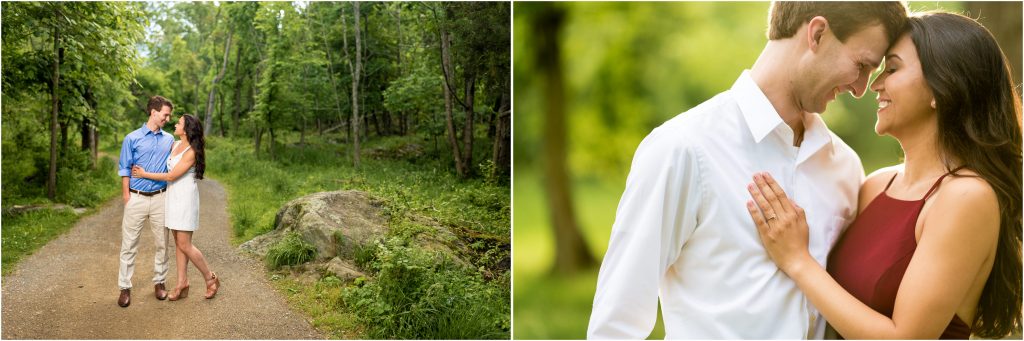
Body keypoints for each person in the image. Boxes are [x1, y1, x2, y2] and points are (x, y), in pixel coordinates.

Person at [587, 2, 908, 338]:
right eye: (861, 65)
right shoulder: (683, 148)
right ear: (817, 34)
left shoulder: (844, 166)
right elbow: (616, 324)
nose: (860, 89)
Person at [746, 12, 1022, 339]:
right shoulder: (875, 185)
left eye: (891, 69)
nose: (874, 85)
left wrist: (797, 262)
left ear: (942, 87)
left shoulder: (966, 197)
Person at [133, 114, 220, 300]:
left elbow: (171, 176)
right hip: (172, 197)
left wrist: (144, 174)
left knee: (184, 244)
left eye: (179, 122)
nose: (175, 124)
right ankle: (182, 283)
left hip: (185, 198)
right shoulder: (174, 144)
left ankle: (210, 278)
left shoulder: (191, 151)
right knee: (178, 243)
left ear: (187, 128)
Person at [117, 96, 175, 307]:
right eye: (165, 114)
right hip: (136, 197)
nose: (167, 118)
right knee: (129, 244)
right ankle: (125, 287)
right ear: (153, 112)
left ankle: (159, 283)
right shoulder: (131, 138)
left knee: (162, 243)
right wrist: (126, 196)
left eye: (169, 115)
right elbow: (125, 168)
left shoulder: (169, 139)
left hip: (161, 198)